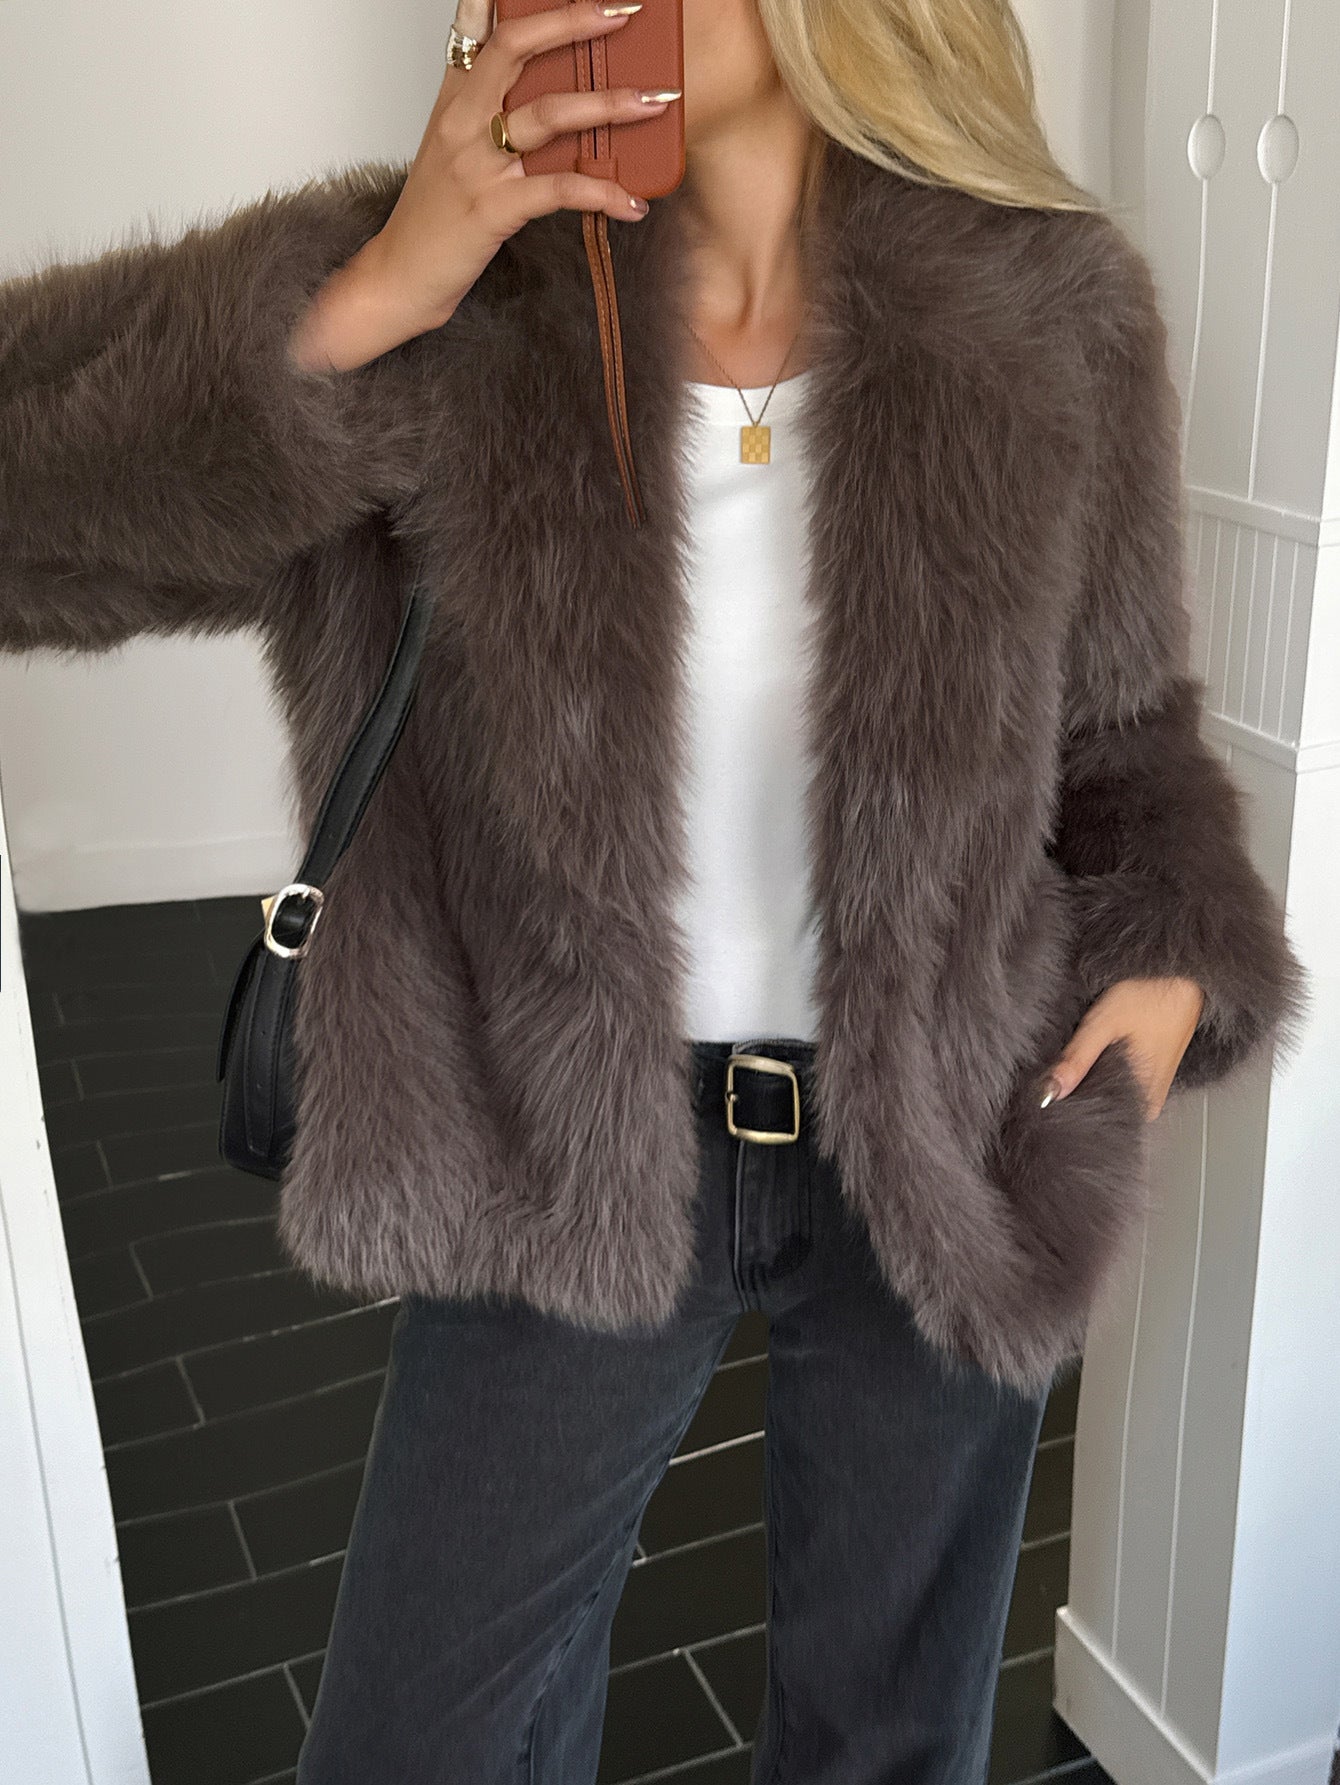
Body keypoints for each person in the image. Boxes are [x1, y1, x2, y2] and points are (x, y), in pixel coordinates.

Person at [0, 2, 1309, 1780]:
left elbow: (1124, 733)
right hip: (558, 1135)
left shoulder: (1053, 311)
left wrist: (1171, 969)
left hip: (944, 1129)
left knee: (890, 1742)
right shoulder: (453, 294)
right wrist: (377, 294)